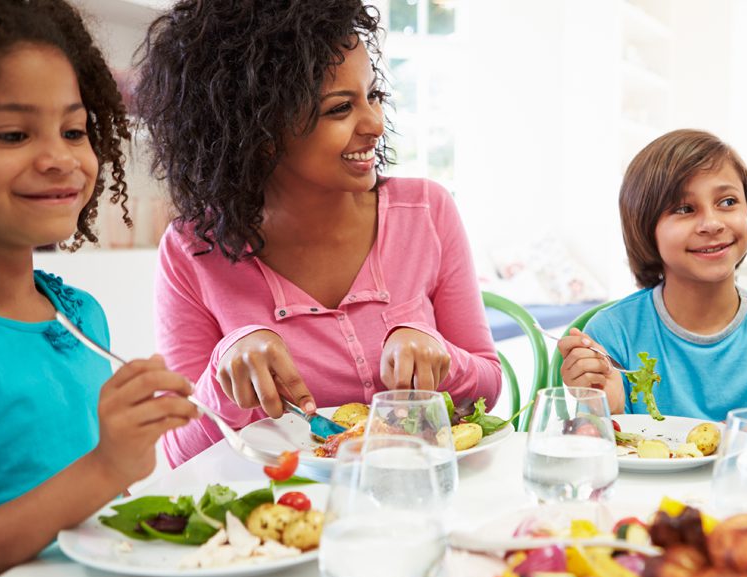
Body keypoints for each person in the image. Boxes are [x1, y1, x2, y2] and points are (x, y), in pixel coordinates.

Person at [134, 1, 502, 466]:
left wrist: (442, 356)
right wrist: (225, 372)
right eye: (341, 108)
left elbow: (489, 383)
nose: (374, 124)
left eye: (375, 96)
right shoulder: (192, 249)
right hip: (280, 517)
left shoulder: (428, 211)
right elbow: (178, 454)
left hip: (419, 497)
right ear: (259, 128)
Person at [0, 0, 198, 577]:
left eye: (74, 131)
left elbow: (94, 517)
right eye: (13, 134)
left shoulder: (80, 317)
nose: (60, 159)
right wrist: (104, 469)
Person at [558, 130, 747, 423]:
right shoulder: (612, 335)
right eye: (685, 208)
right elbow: (594, 457)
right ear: (646, 228)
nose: (712, 224)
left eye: (727, 202)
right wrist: (607, 410)